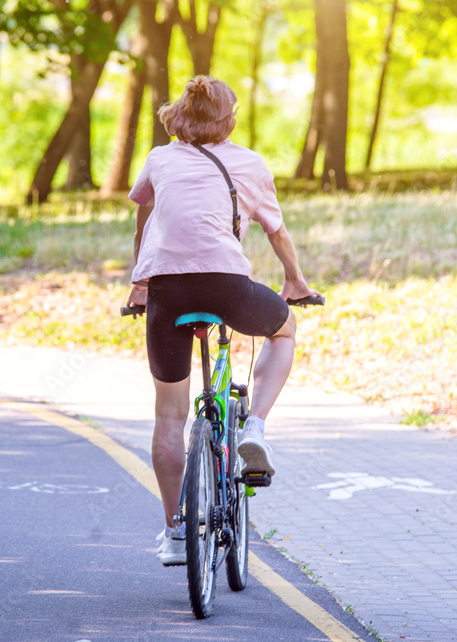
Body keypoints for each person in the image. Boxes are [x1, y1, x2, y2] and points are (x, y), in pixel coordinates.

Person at [124, 76, 319, 566]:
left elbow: (145, 220)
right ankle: (254, 427)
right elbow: (277, 232)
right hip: (227, 285)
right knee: (283, 332)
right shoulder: (249, 163)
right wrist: (295, 282)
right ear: (229, 120)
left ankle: (174, 533)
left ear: (179, 117)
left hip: (167, 290)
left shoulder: (159, 159)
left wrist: (139, 284)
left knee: (169, 416)